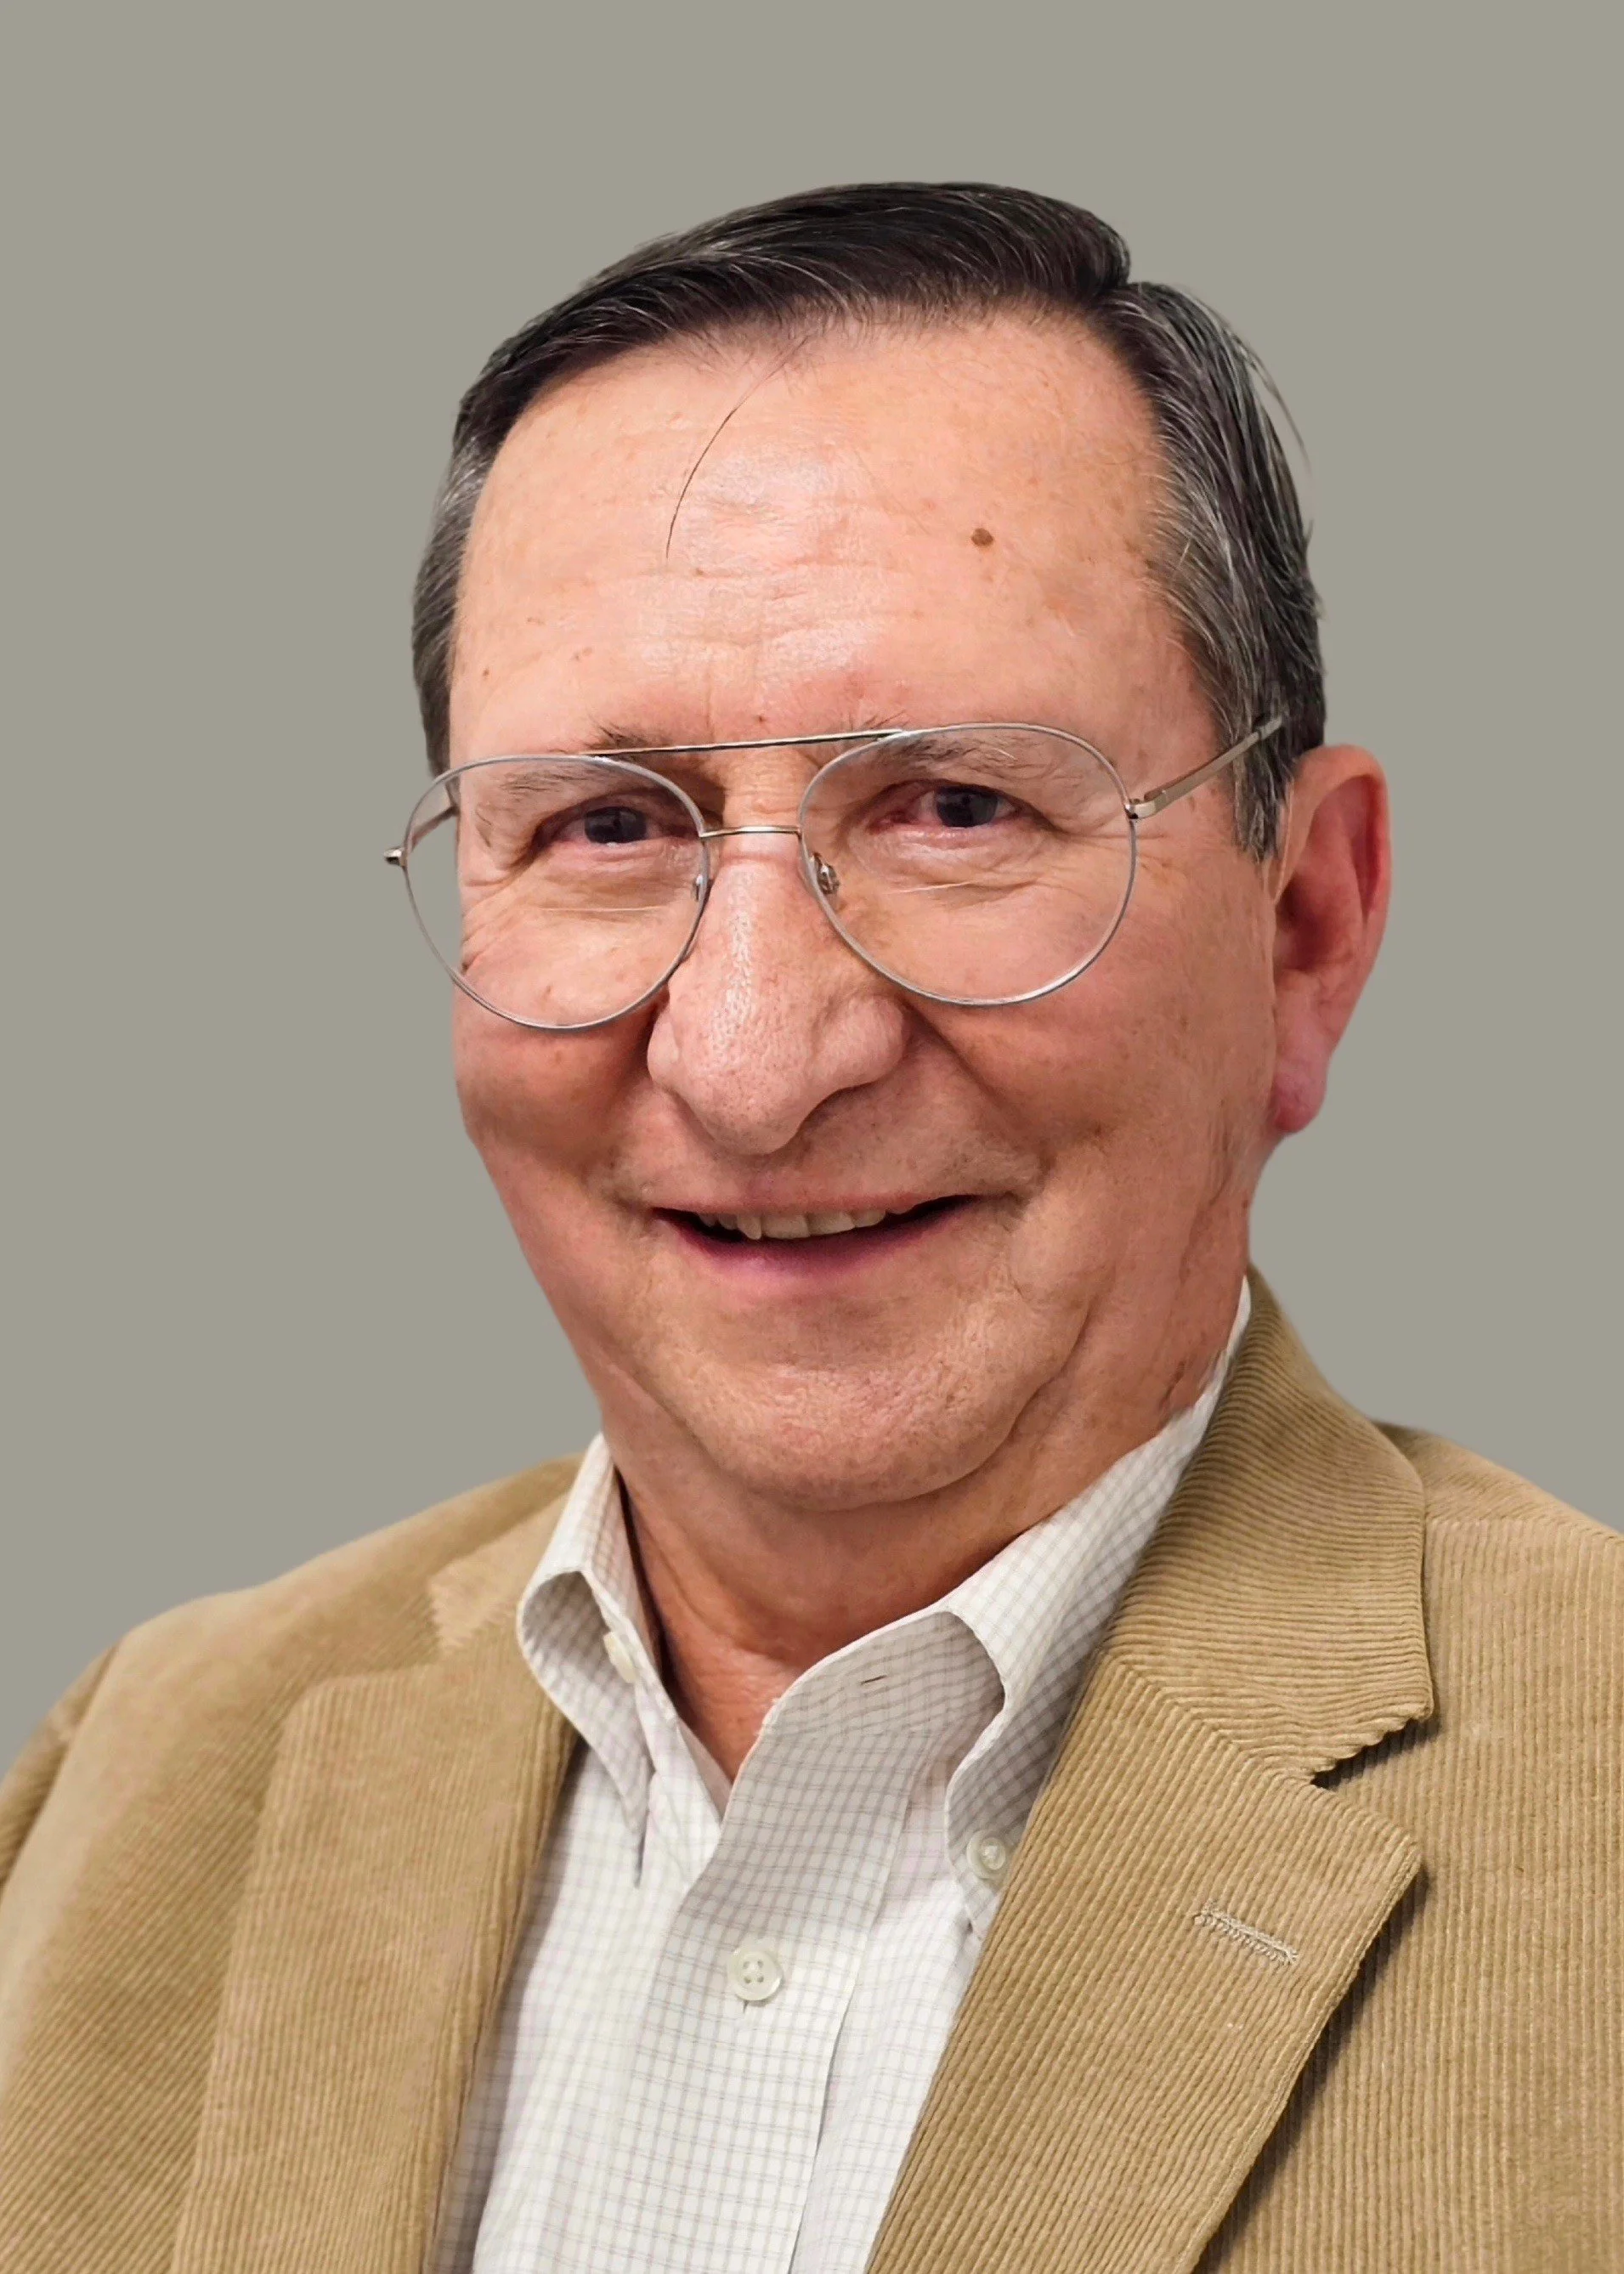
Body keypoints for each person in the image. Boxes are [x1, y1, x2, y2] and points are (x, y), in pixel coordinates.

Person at [1, 182, 1617, 2274]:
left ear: (1306, 930)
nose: (755, 1060)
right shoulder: (129, 1777)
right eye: (604, 829)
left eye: (955, 808)